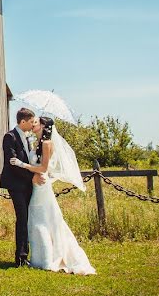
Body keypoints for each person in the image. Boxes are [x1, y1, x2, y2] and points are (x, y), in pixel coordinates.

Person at [10, 116, 96, 275]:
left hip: (42, 186)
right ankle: (41, 257)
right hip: (36, 186)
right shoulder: (37, 143)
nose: (33, 124)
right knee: (36, 220)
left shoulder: (48, 144)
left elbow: (43, 169)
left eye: (36, 123)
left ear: (43, 127)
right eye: (32, 122)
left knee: (44, 220)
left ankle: (50, 258)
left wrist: (22, 165)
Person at [0, 107, 44, 266]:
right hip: (16, 183)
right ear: (23, 121)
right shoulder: (9, 137)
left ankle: (26, 254)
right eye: (31, 122)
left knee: (27, 218)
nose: (33, 124)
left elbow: (27, 161)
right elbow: (12, 163)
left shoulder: (27, 138)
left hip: (27, 184)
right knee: (22, 218)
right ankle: (20, 257)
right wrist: (32, 176)